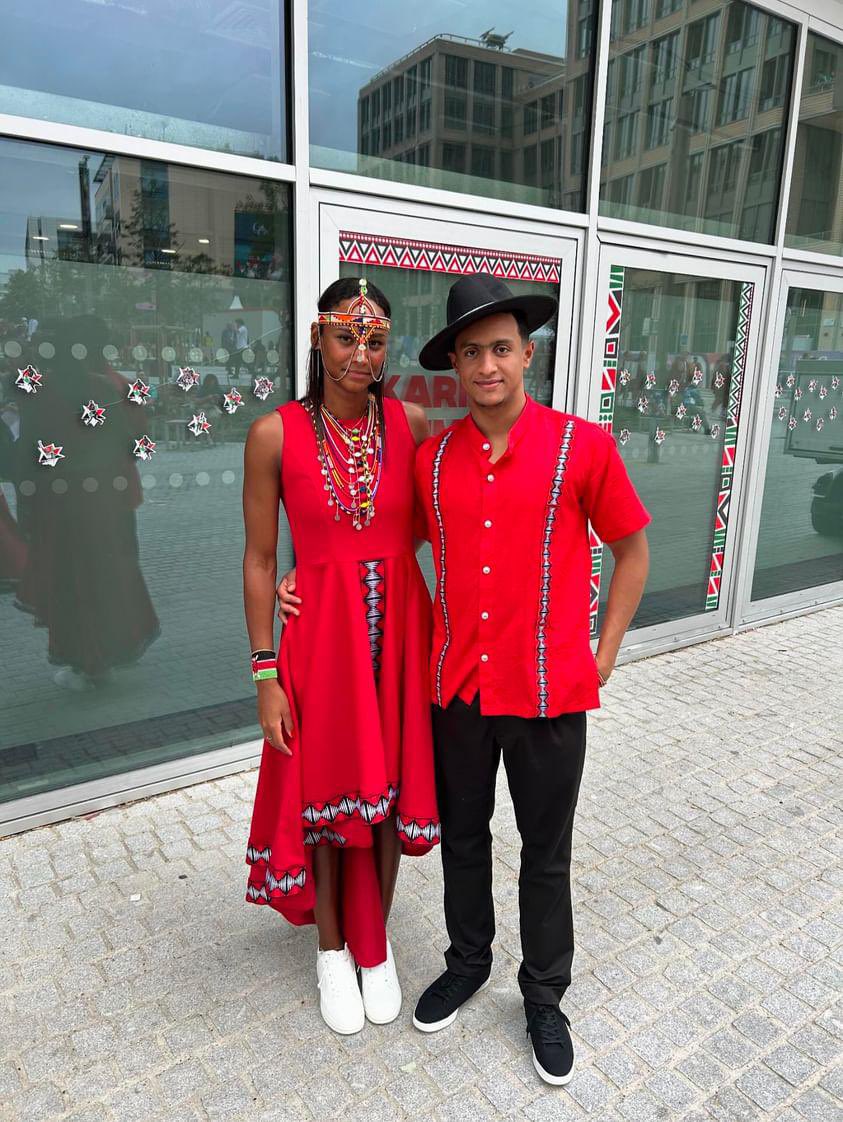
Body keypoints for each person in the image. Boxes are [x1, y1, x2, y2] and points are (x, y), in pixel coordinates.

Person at [409, 275, 650, 1086]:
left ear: (526, 355)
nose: (486, 365)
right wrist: (308, 584)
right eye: (471, 352)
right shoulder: (431, 459)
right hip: (457, 690)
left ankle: (543, 995)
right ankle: (466, 961)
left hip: (548, 692)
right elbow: (385, 545)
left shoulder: (582, 446)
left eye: (500, 349)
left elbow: (632, 552)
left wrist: (603, 651)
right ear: (454, 365)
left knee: (545, 854)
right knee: (464, 839)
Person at [242, 277, 439, 1037]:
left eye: (376, 339)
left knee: (386, 790)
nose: (361, 353)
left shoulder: (412, 422)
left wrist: (365, 561)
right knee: (326, 794)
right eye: (346, 336)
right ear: (317, 340)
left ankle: (375, 945)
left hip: (399, 634)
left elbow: (435, 522)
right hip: (318, 640)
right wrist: (266, 671)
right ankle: (331, 949)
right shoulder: (274, 434)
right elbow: (260, 561)